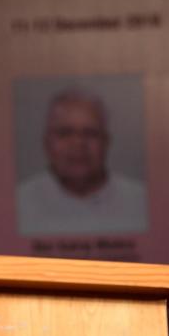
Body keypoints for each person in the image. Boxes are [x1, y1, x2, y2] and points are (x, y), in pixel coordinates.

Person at [17, 87, 147, 235]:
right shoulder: (19, 204)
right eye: (65, 133)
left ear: (106, 142)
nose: (78, 144)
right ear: (47, 143)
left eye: (90, 133)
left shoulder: (140, 201)